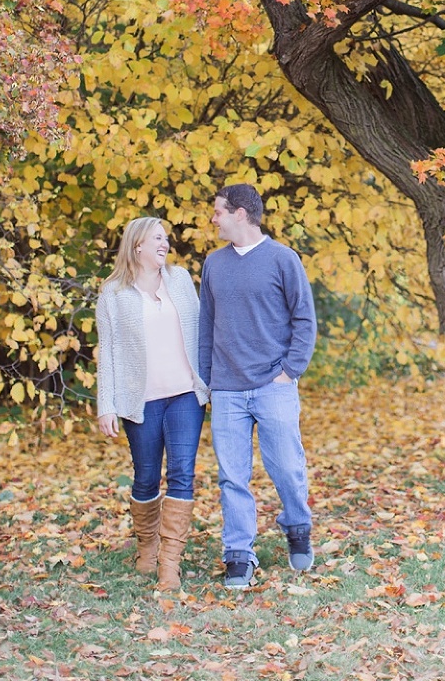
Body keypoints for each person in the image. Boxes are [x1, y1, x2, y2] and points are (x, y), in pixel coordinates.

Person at [199, 184, 317, 590]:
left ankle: (297, 526)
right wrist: (208, 377)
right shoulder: (213, 264)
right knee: (232, 476)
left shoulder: (283, 259)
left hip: (273, 383)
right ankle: (238, 554)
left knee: (285, 466)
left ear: (241, 214)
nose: (213, 219)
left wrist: (289, 371)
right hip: (227, 387)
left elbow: (304, 320)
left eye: (218, 212)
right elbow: (206, 324)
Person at [96, 216, 209, 590]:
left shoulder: (179, 280)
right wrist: (106, 405)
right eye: (156, 239)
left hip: (184, 394)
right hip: (140, 400)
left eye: (166, 239)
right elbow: (108, 351)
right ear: (137, 245)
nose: (164, 244)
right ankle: (147, 545)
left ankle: (170, 565)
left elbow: (201, 331)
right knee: (145, 476)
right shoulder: (113, 292)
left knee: (182, 473)